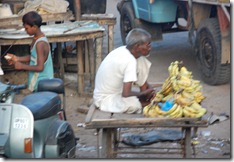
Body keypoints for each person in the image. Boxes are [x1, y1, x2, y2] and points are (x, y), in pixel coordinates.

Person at [93, 28, 155, 114]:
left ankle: (145, 96)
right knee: (133, 105)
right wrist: (142, 94)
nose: (150, 48)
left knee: (142, 60)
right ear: (137, 46)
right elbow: (126, 94)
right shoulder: (129, 61)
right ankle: (144, 101)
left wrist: (147, 88)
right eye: (148, 45)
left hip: (116, 93)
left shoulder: (124, 50)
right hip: (105, 99)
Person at [5, 11, 54, 92]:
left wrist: (22, 66)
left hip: (43, 83)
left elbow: (40, 67)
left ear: (34, 27)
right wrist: (17, 58)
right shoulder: (36, 38)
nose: (25, 30)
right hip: (37, 80)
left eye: (26, 28)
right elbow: (34, 57)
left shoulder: (40, 44)